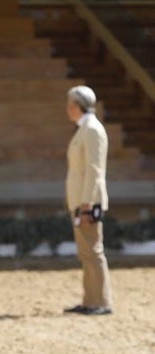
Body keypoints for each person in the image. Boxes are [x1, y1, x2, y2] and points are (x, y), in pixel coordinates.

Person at [63, 85, 112, 316]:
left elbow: (94, 170)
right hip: (81, 200)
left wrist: (86, 204)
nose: (67, 108)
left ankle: (100, 301)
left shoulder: (91, 129)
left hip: (87, 202)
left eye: (70, 103)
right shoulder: (84, 129)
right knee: (86, 252)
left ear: (77, 105)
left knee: (93, 251)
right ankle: (90, 300)